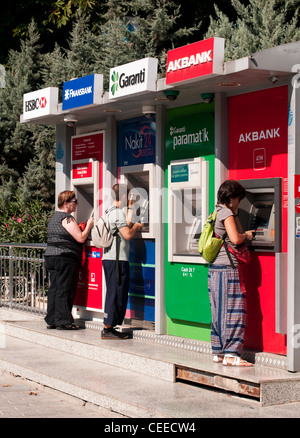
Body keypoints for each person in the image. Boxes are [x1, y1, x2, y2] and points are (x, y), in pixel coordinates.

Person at [208, 180, 254, 367]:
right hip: (227, 270)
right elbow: (236, 238)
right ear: (232, 198)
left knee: (219, 311)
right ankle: (232, 355)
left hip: (215, 270)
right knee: (234, 311)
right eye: (239, 199)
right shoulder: (226, 213)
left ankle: (218, 351)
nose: (240, 202)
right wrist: (248, 235)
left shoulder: (216, 211)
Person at [44, 190, 94, 330]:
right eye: (74, 202)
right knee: (65, 289)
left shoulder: (54, 216)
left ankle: (52, 319)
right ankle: (64, 321)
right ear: (66, 204)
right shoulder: (67, 219)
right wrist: (89, 224)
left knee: (55, 288)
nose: (77, 204)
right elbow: (81, 238)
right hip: (64, 257)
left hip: (51, 256)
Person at [101, 183, 143, 340]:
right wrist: (138, 226)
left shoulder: (110, 211)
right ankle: (108, 328)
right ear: (124, 196)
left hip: (112, 259)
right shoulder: (117, 213)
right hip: (116, 260)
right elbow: (127, 234)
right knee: (115, 293)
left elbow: (125, 223)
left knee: (116, 291)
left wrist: (131, 208)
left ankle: (110, 326)